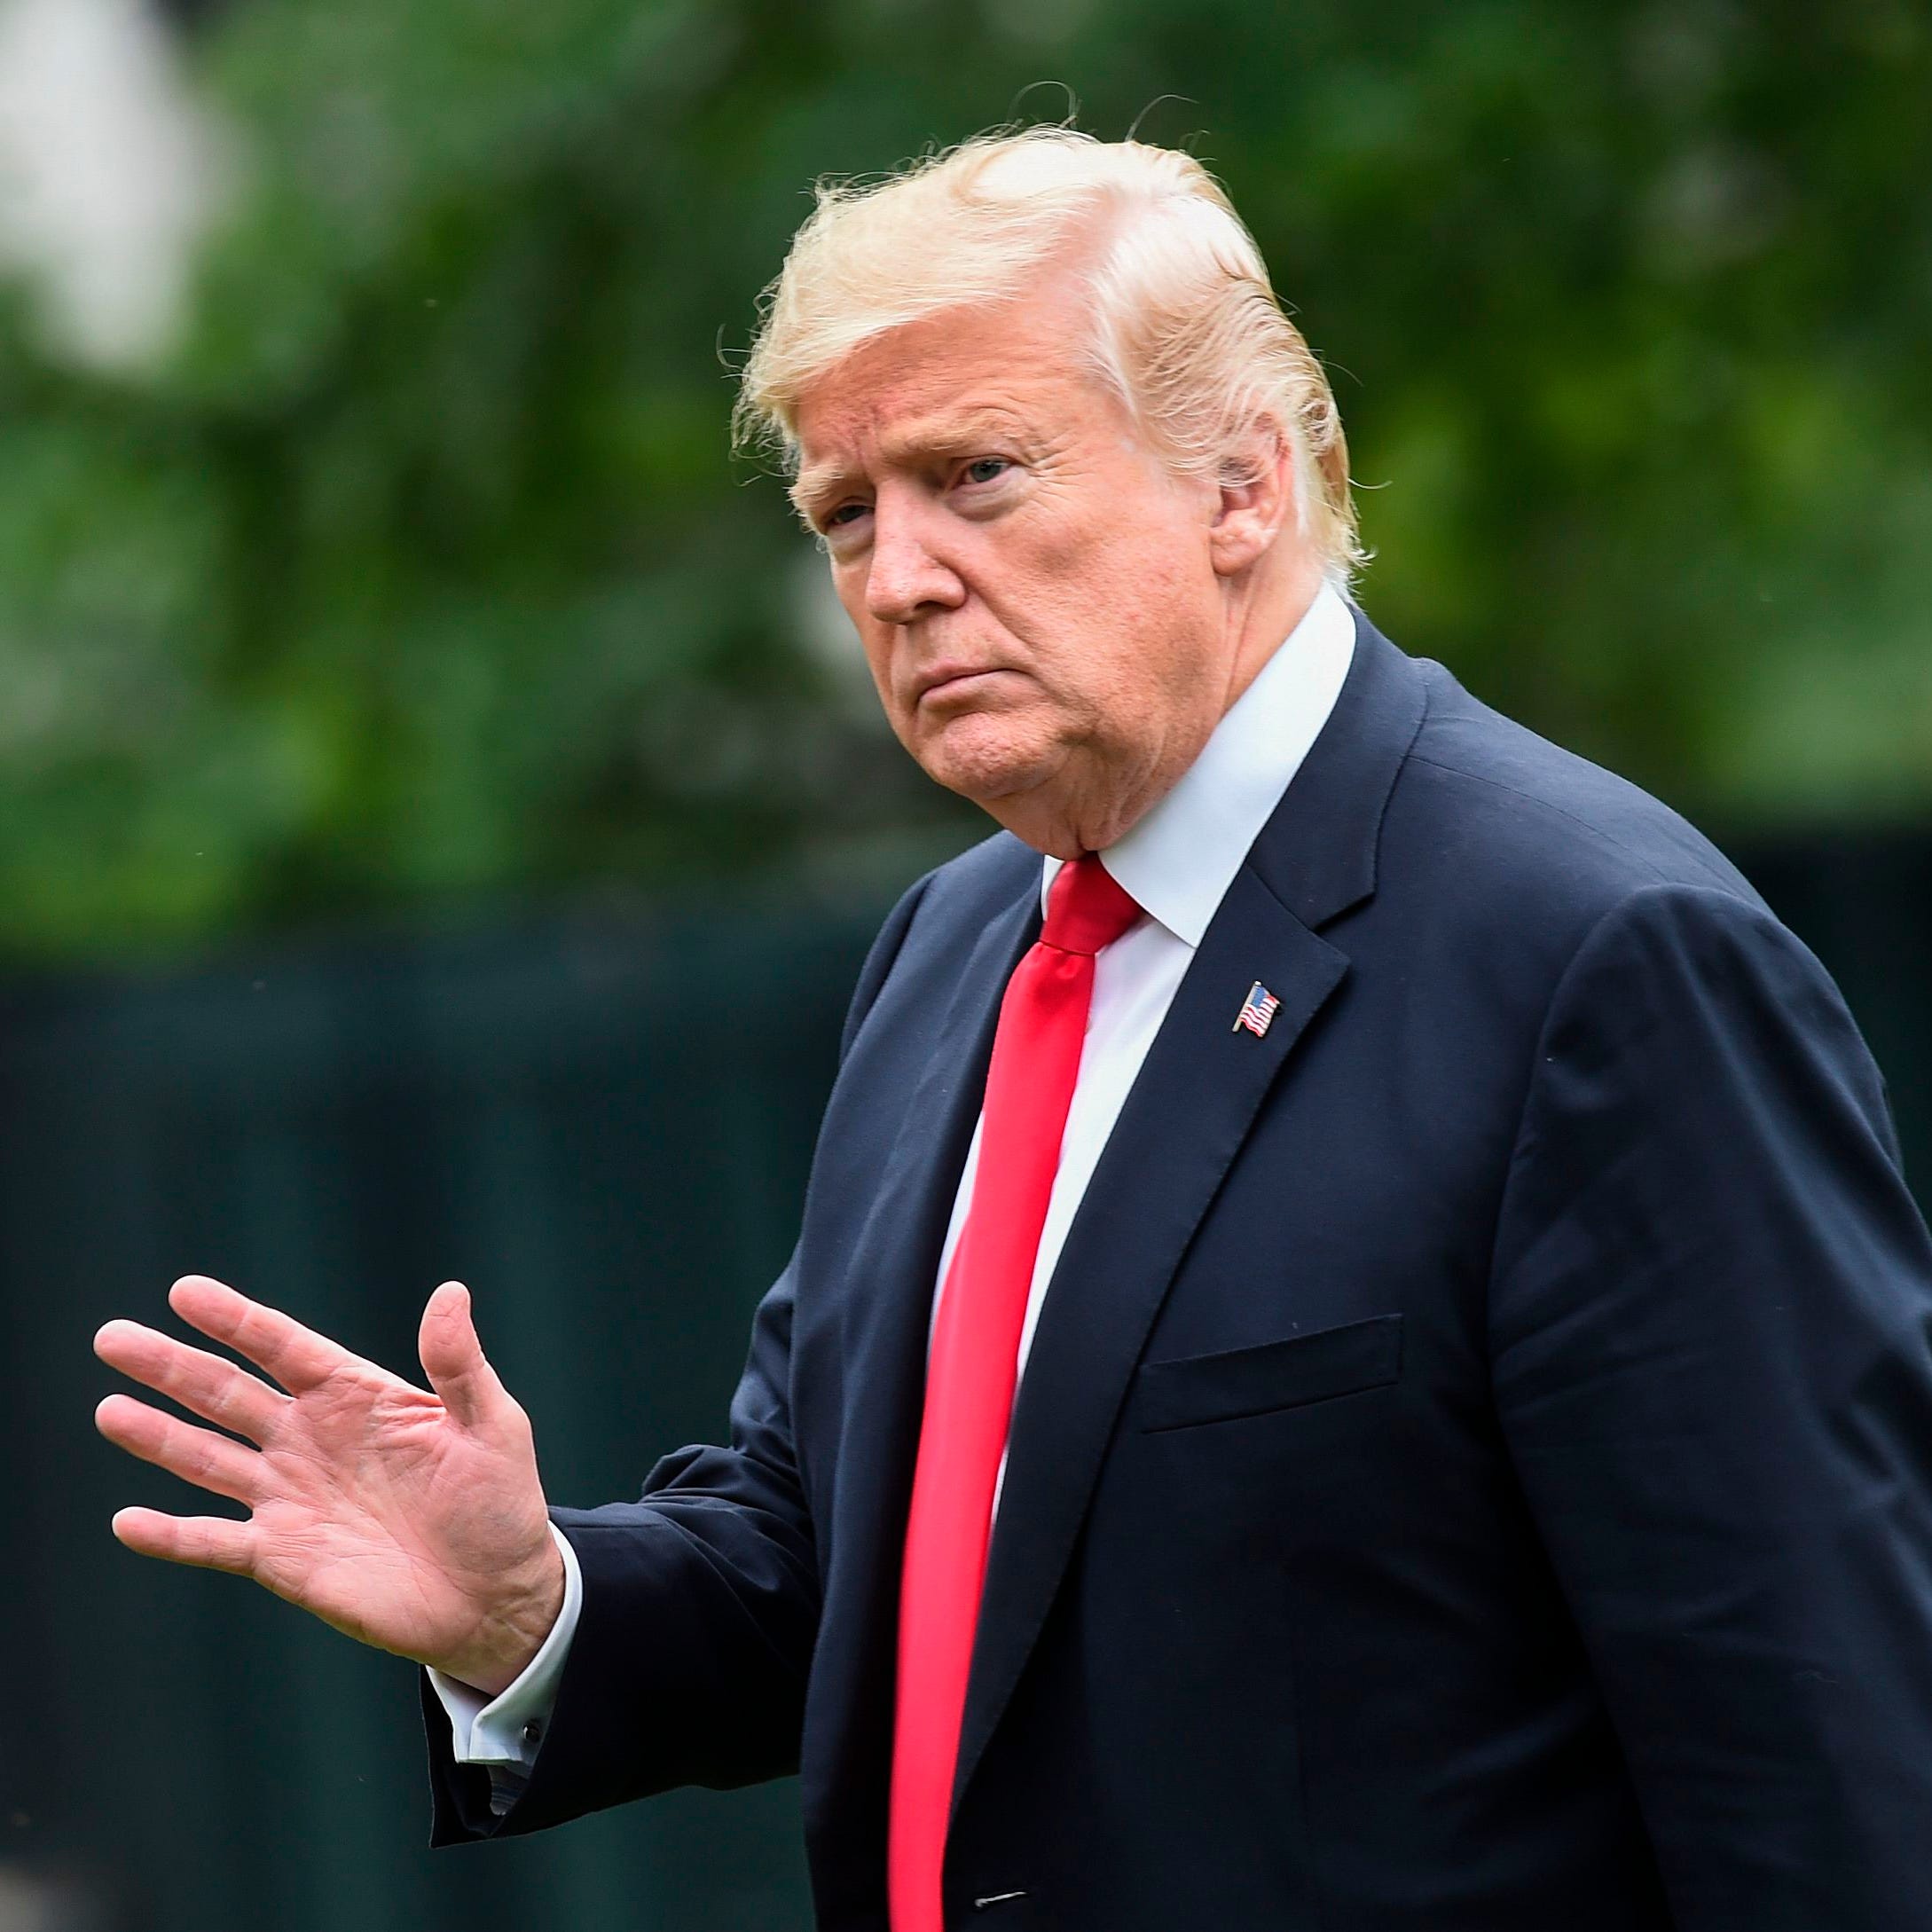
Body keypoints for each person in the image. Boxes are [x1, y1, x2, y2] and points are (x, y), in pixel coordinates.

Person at [95, 130, 1932, 1931]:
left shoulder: (1597, 954)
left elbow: (1818, 1763)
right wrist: (536, 1611)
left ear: (1244, 485)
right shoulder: (959, 944)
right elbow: (857, 1566)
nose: (895, 579)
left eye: (976, 474)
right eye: (844, 513)